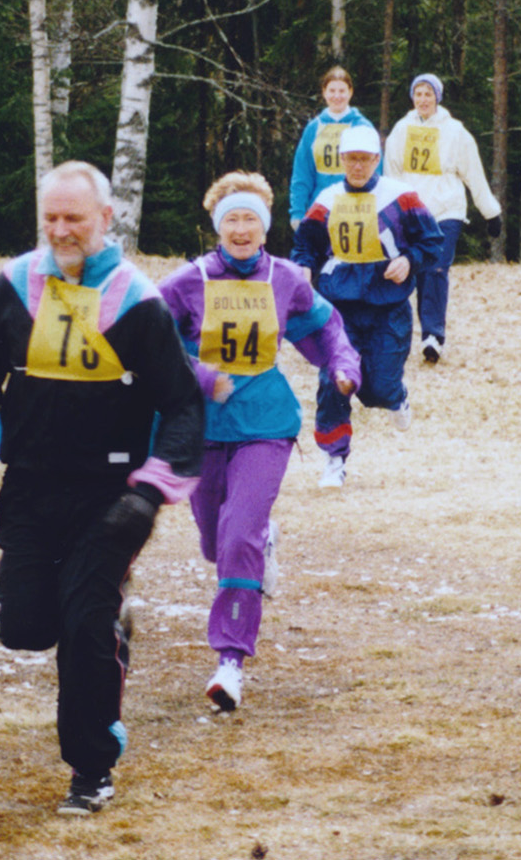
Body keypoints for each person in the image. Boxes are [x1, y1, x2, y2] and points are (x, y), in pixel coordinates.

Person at [0, 161, 203, 816]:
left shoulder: (137, 300)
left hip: (108, 497)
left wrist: (148, 493)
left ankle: (91, 766)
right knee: (26, 627)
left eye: (74, 218)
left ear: (105, 220)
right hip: (29, 484)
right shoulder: (14, 286)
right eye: (51, 218)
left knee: (83, 624)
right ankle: (111, 622)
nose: (61, 230)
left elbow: (183, 407)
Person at [158, 172, 360, 712]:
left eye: (250, 218)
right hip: (203, 427)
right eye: (232, 219)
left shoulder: (286, 278)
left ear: (265, 227)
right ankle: (259, 540)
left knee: (238, 535)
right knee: (214, 543)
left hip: (266, 425)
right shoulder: (189, 280)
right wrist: (198, 375)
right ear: (218, 227)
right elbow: (147, 338)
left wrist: (343, 365)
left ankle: (230, 660)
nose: (241, 228)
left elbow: (327, 327)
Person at [292, 125, 443, 486]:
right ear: (341, 160)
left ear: (376, 159)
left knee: (377, 390)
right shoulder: (327, 200)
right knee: (336, 381)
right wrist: (302, 270)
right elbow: (305, 246)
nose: (358, 166)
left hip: (387, 307)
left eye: (365, 159)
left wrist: (409, 260)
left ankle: (397, 397)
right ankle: (334, 458)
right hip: (339, 309)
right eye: (351, 159)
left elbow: (432, 242)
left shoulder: (401, 197)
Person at [382, 73, 501, 364]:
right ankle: (394, 334)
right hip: (413, 213)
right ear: (412, 97)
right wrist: (389, 213)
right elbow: (391, 174)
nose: (423, 99)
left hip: (446, 211)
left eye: (428, 94)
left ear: (438, 97)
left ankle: (433, 336)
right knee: (412, 270)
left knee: (435, 270)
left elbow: (473, 173)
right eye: (418, 94)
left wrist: (491, 211)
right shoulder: (401, 129)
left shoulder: (455, 131)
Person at [288, 66, 381, 229]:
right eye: (332, 91)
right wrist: (297, 212)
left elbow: (376, 170)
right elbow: (302, 173)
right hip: (319, 209)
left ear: (350, 92)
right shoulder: (313, 128)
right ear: (324, 92)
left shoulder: (362, 126)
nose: (337, 96)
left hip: (355, 210)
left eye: (342, 91)